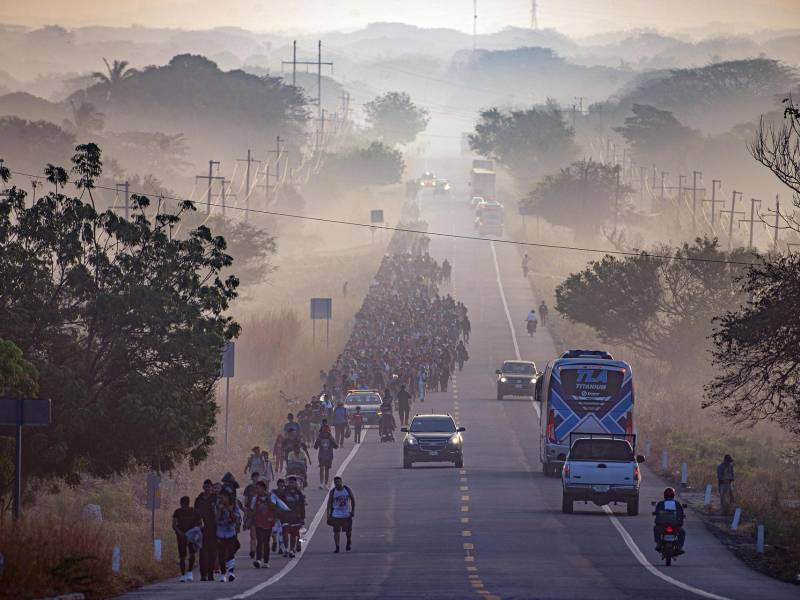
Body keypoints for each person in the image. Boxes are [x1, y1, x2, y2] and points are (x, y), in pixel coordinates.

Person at [172, 495, 202, 582]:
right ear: (180, 504)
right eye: (182, 505)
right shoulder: (177, 512)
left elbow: (200, 524)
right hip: (181, 536)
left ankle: (189, 571)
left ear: (188, 504)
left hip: (192, 536)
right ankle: (183, 574)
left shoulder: (195, 512)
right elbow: (174, 525)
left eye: (185, 505)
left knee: (192, 553)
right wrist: (180, 533)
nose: (183, 507)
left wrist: (195, 531)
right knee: (182, 556)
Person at [194, 480, 217, 582]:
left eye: (209, 487)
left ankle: (210, 573)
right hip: (201, 530)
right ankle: (203, 574)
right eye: (206, 486)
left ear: (211, 488)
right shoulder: (198, 500)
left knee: (212, 552)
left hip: (213, 529)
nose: (207, 488)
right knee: (203, 552)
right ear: (203, 487)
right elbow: (195, 514)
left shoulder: (215, 499)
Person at [215, 490, 241, 582]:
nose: (221, 499)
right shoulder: (218, 506)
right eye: (220, 498)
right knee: (221, 554)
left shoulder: (234, 506)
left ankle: (231, 572)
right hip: (220, 533)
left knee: (231, 552)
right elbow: (216, 519)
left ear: (227, 497)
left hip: (230, 532)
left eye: (222, 497)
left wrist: (230, 511)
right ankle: (223, 574)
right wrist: (220, 510)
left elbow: (235, 520)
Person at [251, 481, 277, 568]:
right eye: (256, 488)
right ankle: (258, 559)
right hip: (258, 522)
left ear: (263, 488)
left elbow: (273, 507)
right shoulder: (255, 498)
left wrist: (268, 499)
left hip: (268, 522)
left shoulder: (271, 496)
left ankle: (266, 561)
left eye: (258, 488)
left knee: (266, 542)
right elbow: (252, 510)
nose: (257, 490)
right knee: (260, 540)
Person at [652, 487, 686, 554]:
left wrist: (655, 513)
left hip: (662, 526)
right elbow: (681, 512)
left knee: (655, 529)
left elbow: (656, 511)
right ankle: (679, 547)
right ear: (673, 495)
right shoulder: (677, 503)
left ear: (664, 495)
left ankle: (658, 544)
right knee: (682, 532)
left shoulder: (661, 503)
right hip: (675, 526)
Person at [327, 476, 356, 553]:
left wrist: (353, 511)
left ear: (341, 482)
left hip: (346, 514)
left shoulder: (347, 489)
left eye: (339, 482)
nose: (337, 483)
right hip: (336, 514)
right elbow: (329, 504)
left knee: (348, 531)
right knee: (336, 531)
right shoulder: (333, 492)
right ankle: (337, 547)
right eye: (336, 482)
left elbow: (353, 500)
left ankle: (348, 541)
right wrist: (328, 515)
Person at [281, 476, 306, 558]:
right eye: (290, 482)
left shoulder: (299, 494)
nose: (292, 484)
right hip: (285, 517)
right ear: (288, 483)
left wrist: (302, 517)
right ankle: (285, 549)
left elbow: (302, 506)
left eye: (293, 483)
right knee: (285, 532)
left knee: (293, 534)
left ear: (296, 484)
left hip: (296, 517)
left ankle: (292, 550)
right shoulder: (284, 493)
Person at [242, 472, 261, 559]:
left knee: (260, 534)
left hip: (261, 513)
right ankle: (252, 550)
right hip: (251, 513)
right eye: (254, 477)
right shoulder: (248, 488)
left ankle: (259, 550)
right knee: (253, 533)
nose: (256, 479)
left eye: (257, 477)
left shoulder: (262, 488)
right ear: (252, 478)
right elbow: (245, 501)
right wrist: (246, 509)